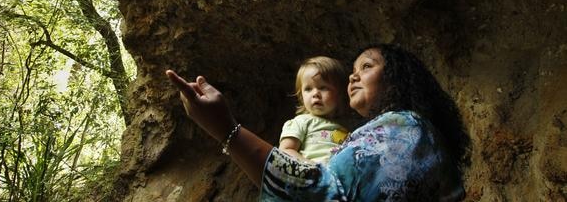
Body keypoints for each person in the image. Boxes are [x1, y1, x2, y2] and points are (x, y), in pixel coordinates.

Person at [166, 43, 469, 201]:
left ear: (397, 77)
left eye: (367, 66)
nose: (354, 75)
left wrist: (226, 129)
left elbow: (324, 192)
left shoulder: (406, 129)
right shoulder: (408, 133)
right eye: (352, 69)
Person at [279, 56, 349, 164]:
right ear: (301, 96)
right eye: (308, 89)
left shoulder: (347, 128)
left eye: (323, 87)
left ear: (340, 94)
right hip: (311, 176)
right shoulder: (301, 121)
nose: (315, 93)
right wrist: (311, 167)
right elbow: (285, 151)